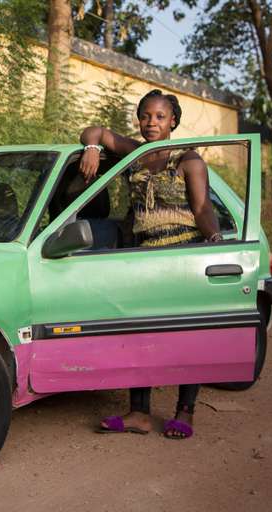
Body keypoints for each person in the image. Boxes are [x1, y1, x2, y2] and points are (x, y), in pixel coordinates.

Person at [78, 89, 223, 439]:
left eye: (159, 117)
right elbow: (93, 131)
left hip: (182, 254)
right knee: (139, 334)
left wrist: (214, 242)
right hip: (142, 257)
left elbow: (202, 208)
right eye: (145, 116)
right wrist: (92, 149)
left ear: (173, 121)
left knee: (186, 336)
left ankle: (184, 413)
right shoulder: (137, 154)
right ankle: (139, 413)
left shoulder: (189, 160)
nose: (151, 123)